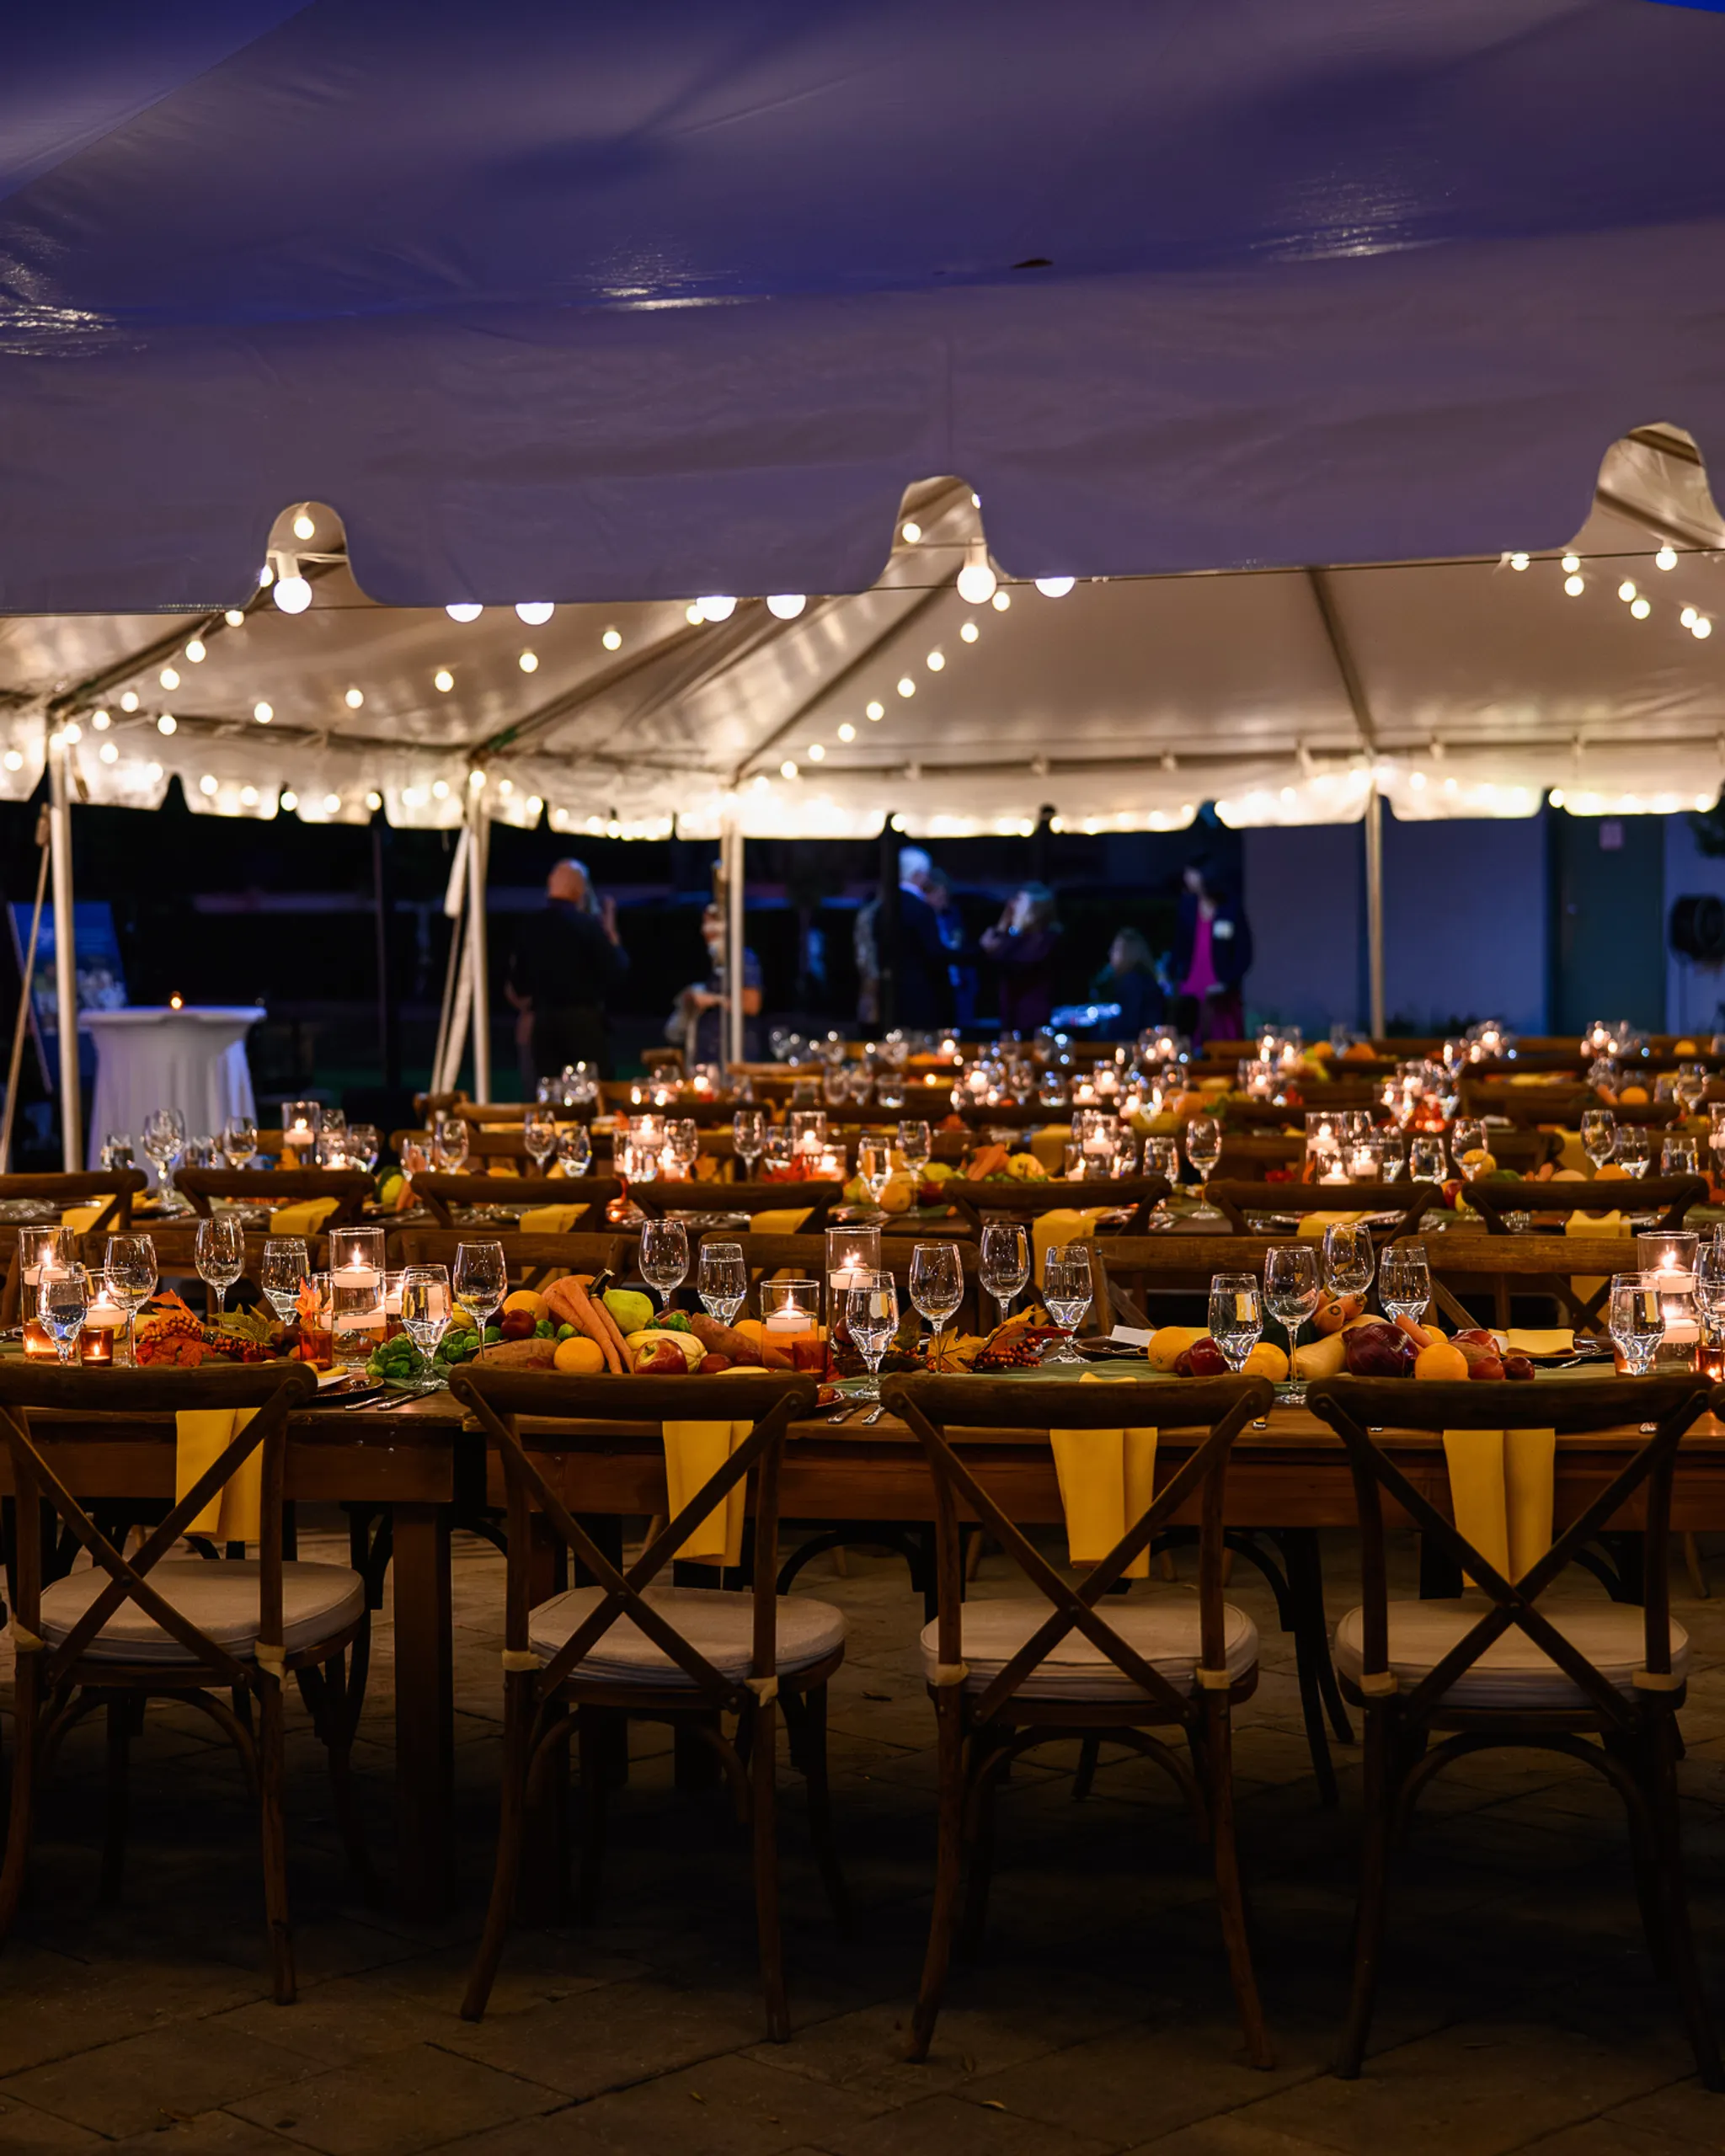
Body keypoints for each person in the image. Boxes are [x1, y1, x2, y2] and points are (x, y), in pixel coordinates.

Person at [505, 858, 628, 1087]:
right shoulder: (586, 925)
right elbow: (617, 970)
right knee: (594, 1093)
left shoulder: (530, 927)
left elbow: (518, 983)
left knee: (551, 1094)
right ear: (580, 889)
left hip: (544, 1025)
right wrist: (612, 936)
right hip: (584, 1024)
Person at [667, 902, 763, 1066]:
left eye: (710, 922)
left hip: (733, 1058)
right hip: (710, 1058)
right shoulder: (718, 965)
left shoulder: (743, 959)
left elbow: (752, 1004)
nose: (705, 930)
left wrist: (713, 999)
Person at [1171, 854, 1252, 1046]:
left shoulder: (1229, 908)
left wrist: (1227, 982)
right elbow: (1179, 946)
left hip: (1221, 994)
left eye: (1191, 872)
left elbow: (1244, 952)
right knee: (1189, 1044)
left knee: (1222, 1044)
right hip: (1191, 991)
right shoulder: (1187, 907)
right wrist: (1174, 975)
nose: (1187, 877)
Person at [980, 883, 1061, 1033]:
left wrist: (1015, 930)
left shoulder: (1046, 939)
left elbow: (1017, 964)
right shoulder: (1018, 936)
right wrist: (1002, 928)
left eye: (1019, 901)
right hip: (1010, 1017)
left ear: (1035, 909)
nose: (1013, 906)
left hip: (1031, 1020)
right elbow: (994, 964)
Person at [889, 847, 953, 1028]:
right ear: (918, 874)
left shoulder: (886, 905)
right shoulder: (920, 908)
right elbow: (935, 953)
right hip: (922, 993)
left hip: (895, 994)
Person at [1090, 927, 1166, 1040]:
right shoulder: (1145, 979)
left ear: (1128, 952)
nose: (1110, 954)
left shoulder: (1132, 983)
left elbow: (1130, 1024)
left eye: (1115, 949)